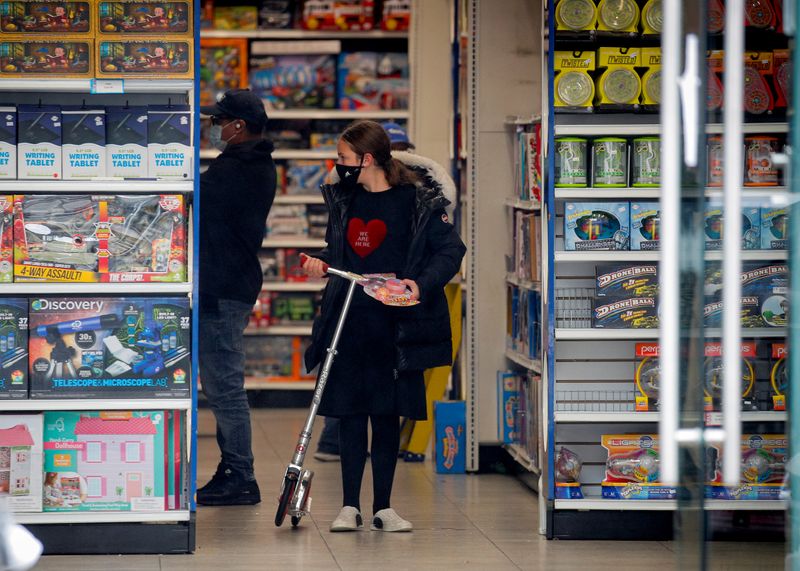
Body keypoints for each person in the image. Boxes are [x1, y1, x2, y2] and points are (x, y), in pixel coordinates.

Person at [302, 120, 465, 532]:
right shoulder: (344, 200)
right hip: (349, 322)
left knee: (387, 415)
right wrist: (322, 263)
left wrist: (420, 284)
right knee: (351, 415)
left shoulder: (417, 202)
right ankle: (348, 506)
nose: (338, 166)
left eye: (343, 159)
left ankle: (384, 507)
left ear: (366, 159)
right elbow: (338, 250)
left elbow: (450, 251)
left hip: (397, 325)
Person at [197, 89, 276, 505]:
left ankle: (240, 475)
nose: (213, 127)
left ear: (238, 126)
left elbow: (194, 199)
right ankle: (234, 469)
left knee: (225, 387)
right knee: (221, 384)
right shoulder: (251, 163)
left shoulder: (238, 169)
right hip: (230, 284)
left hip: (223, 289)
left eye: (217, 120)